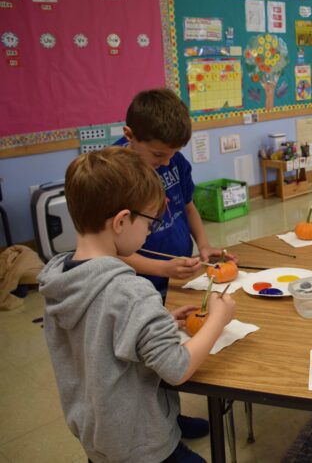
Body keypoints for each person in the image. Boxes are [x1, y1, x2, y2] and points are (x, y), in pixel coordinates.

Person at [39, 148, 236, 463]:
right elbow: (177, 368)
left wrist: (161, 320)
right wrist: (218, 319)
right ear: (120, 221)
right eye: (150, 222)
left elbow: (100, 336)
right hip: (142, 442)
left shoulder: (61, 279)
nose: (150, 230)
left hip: (100, 439)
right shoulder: (131, 292)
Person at [116, 88, 236, 438]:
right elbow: (112, 250)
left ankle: (171, 417)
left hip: (167, 275)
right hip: (137, 279)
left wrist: (204, 245)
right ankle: (156, 427)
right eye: (158, 154)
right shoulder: (116, 174)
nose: (167, 162)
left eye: (173, 154)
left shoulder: (172, 162)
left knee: (165, 344)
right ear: (130, 136)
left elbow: (187, 204)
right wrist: (161, 269)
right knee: (145, 361)